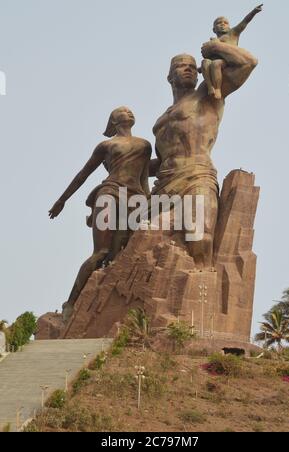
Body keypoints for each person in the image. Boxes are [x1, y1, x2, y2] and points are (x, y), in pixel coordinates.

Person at [150, 40, 258, 269]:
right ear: (169, 76)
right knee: (144, 238)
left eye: (192, 65)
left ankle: (200, 293)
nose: (188, 68)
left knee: (199, 237)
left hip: (197, 176)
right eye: (181, 65)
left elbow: (248, 63)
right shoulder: (161, 120)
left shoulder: (208, 95)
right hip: (164, 183)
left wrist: (215, 48)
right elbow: (159, 162)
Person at [49, 107, 151, 320]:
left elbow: (144, 178)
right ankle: (71, 302)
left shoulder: (145, 145)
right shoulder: (107, 145)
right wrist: (62, 200)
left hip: (134, 199)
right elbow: (82, 175)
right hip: (109, 194)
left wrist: (148, 205)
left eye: (130, 110)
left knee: (121, 253)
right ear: (113, 121)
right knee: (101, 253)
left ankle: (108, 306)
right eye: (122, 111)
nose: (129, 112)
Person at [200, 4, 263, 99]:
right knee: (205, 62)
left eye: (225, 23)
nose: (222, 24)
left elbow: (244, 22)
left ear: (229, 27)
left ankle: (217, 89)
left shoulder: (232, 33)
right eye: (219, 23)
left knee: (216, 64)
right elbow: (210, 57)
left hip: (227, 62)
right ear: (214, 29)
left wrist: (253, 12)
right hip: (214, 61)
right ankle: (210, 87)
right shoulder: (213, 41)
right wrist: (201, 68)